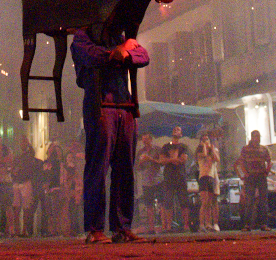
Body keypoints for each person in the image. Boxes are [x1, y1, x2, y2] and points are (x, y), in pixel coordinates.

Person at [71, 27, 149, 244]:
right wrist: (121, 51)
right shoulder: (82, 36)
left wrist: (121, 51)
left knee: (125, 170)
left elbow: (144, 55)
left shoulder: (118, 38)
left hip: (123, 107)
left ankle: (122, 228)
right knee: (98, 168)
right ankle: (95, 229)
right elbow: (92, 56)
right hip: (100, 105)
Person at [154, 127, 189, 233]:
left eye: (178, 130)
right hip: (169, 177)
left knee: (183, 201)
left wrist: (169, 160)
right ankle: (168, 226)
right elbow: (161, 161)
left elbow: (183, 160)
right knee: (168, 201)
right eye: (174, 129)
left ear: (181, 134)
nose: (175, 130)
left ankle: (186, 226)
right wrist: (173, 159)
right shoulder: (165, 146)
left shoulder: (183, 147)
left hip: (181, 176)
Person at [236, 130, 270, 232]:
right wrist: (245, 173)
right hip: (250, 177)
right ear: (252, 137)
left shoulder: (264, 149)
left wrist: (266, 172)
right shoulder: (246, 149)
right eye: (255, 136)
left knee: (263, 201)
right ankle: (247, 224)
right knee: (249, 201)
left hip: (261, 176)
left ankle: (263, 224)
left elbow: (269, 161)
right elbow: (241, 162)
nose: (257, 138)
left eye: (259, 136)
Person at [195, 132, 220, 232]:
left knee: (212, 202)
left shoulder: (214, 150)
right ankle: (202, 224)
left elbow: (217, 159)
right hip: (204, 177)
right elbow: (204, 154)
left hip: (213, 177)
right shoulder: (199, 152)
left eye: (207, 139)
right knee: (204, 202)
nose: (206, 141)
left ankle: (212, 223)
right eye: (203, 139)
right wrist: (204, 146)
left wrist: (212, 148)